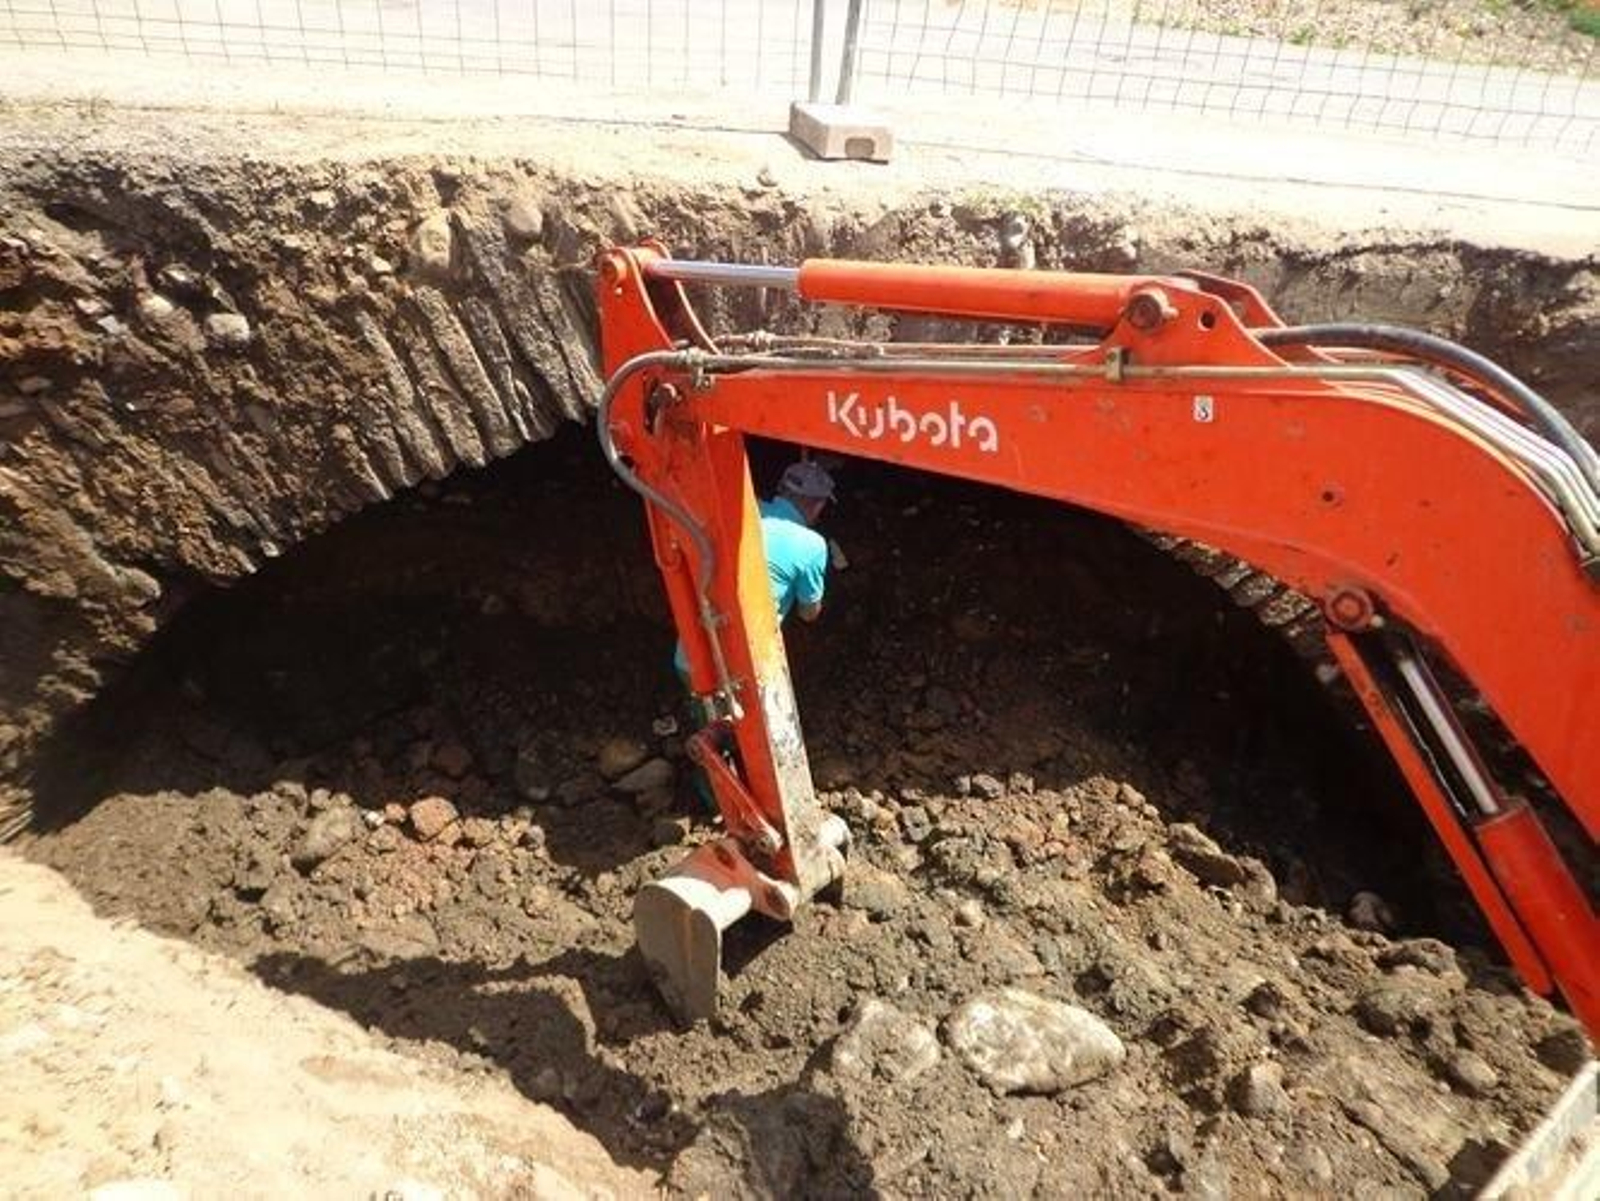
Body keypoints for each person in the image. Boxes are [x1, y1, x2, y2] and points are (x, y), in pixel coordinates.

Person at [675, 459, 835, 807]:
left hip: (690, 654)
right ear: (819, 504)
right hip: (741, 665)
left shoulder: (735, 511)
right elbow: (810, 613)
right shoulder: (812, 545)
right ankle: (748, 805)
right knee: (753, 739)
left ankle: (714, 800)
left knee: (709, 725)